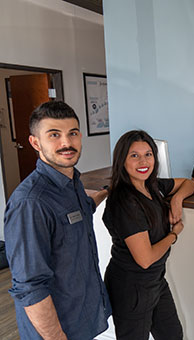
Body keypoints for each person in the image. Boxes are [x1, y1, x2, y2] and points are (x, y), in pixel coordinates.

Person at [4, 101, 111, 340]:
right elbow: (29, 287)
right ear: (35, 142)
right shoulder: (30, 203)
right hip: (56, 330)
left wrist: (106, 191)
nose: (66, 143)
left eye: (72, 133)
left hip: (81, 318)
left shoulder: (71, 185)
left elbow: (82, 211)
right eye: (54, 135)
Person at [102, 130, 194, 340]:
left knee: (172, 335)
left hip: (155, 281)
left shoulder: (152, 186)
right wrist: (174, 235)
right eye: (134, 155)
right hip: (131, 287)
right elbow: (145, 259)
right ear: (122, 160)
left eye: (148, 154)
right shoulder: (125, 202)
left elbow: (190, 183)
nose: (143, 161)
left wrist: (176, 200)